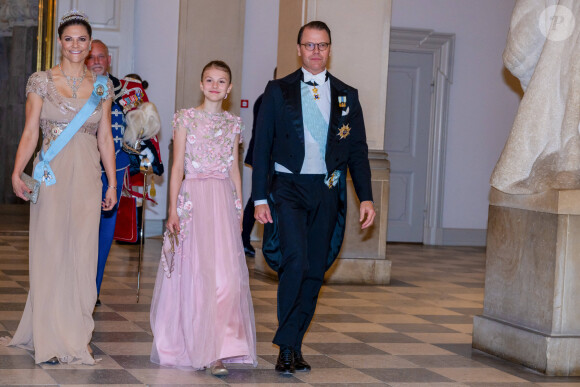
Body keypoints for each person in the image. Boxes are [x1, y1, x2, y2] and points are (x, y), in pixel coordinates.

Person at [252, 21, 376, 374]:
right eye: (309, 45)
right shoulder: (278, 90)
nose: (316, 51)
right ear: (299, 49)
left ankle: (294, 343)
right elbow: (262, 148)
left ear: (330, 49)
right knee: (295, 260)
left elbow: (358, 151)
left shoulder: (347, 95)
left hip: (327, 190)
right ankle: (286, 347)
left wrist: (365, 197)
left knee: (314, 269)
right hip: (288, 188)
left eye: (322, 45)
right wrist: (260, 197)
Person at [8, 10, 116, 364]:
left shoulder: (102, 86)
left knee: (83, 254)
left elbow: (105, 139)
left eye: (82, 39)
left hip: (87, 175)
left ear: (89, 44)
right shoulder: (41, 81)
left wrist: (112, 183)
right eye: (69, 38)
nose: (75, 45)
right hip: (51, 174)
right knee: (52, 249)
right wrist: (16, 171)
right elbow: (30, 131)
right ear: (59, 42)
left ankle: (77, 334)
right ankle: (50, 335)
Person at [150, 60, 257, 376]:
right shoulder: (185, 118)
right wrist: (172, 209)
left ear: (229, 88)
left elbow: (234, 170)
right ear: (201, 84)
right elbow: (178, 166)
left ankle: (223, 345)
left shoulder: (233, 124)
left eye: (221, 81)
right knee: (197, 275)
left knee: (227, 279)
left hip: (222, 202)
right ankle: (205, 349)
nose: (214, 85)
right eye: (209, 79)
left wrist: (238, 209)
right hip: (194, 200)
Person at [86, 40, 129, 305]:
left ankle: (94, 290)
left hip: (114, 169)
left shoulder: (125, 91)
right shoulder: (75, 88)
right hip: (84, 165)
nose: (97, 61)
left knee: (104, 232)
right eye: (92, 57)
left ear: (109, 59)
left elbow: (139, 130)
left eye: (102, 57)